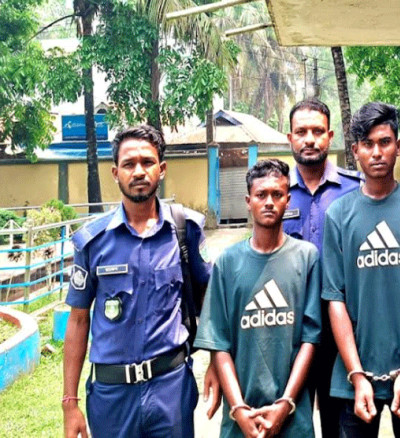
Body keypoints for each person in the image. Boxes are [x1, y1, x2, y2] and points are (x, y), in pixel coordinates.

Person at [62, 125, 220, 438]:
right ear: (115, 173)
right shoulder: (93, 242)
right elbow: (78, 320)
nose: (138, 172)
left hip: (170, 389)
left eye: (147, 162)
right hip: (111, 396)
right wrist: (70, 403)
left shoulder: (185, 229)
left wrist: (216, 360)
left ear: (162, 169)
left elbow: (210, 297)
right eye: (129, 164)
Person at [320, 102, 400, 438]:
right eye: (368, 144)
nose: (377, 152)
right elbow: (335, 300)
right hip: (354, 379)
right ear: (355, 151)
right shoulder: (338, 215)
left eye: (384, 142)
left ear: (398, 146)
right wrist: (356, 375)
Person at [194, 159, 321, 438]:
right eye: (261, 195)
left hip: (294, 419)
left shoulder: (307, 257)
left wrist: (285, 404)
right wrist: (239, 409)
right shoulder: (227, 263)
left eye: (277, 194)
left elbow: (310, 339)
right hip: (240, 420)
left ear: (288, 200)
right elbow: (219, 343)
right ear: (248, 201)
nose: (269, 202)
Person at [283, 99, 361, 438]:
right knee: (290, 423)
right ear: (290, 138)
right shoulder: (275, 193)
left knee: (338, 425)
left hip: (340, 333)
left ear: (330, 136)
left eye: (317, 131)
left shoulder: (355, 189)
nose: (310, 139)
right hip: (290, 334)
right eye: (301, 132)